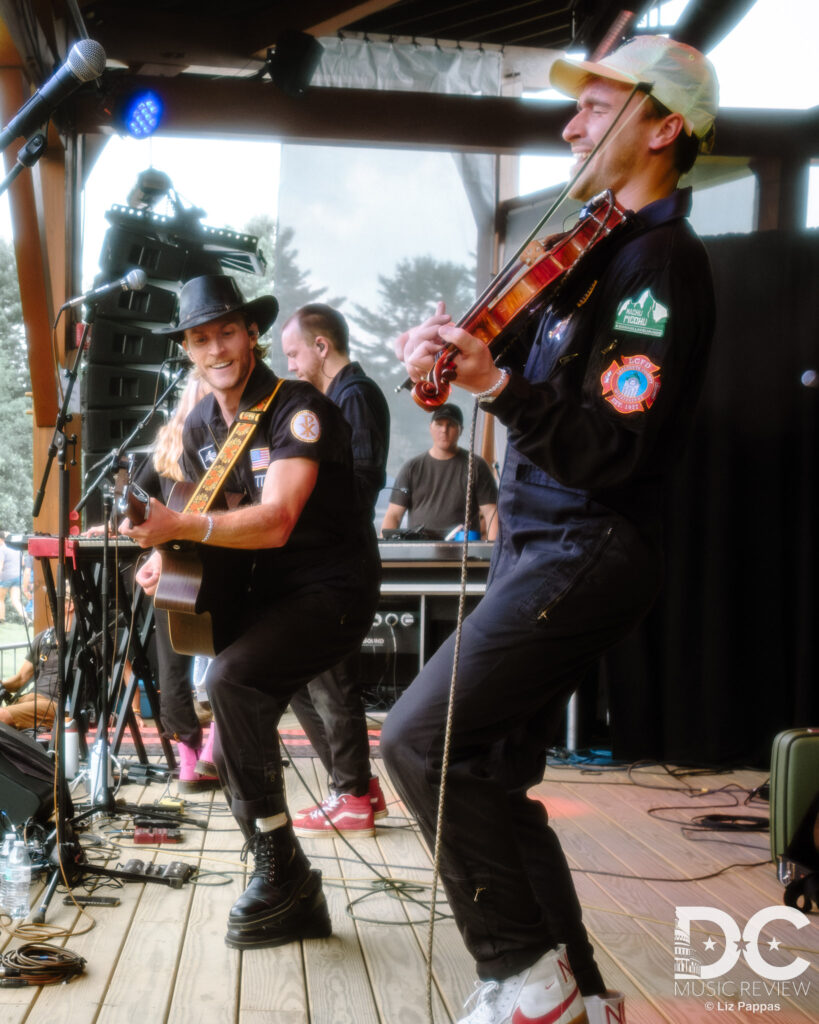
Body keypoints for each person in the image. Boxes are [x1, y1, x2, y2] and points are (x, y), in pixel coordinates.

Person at [380, 35, 718, 1024]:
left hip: (590, 545)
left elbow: (615, 453)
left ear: (662, 127)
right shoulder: (593, 254)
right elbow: (499, 354)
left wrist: (495, 387)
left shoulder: (658, 267)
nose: (571, 124)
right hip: (544, 544)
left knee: (419, 738)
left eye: (596, 106)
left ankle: (526, 980)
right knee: (485, 768)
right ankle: (586, 995)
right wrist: (449, 350)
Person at [120, 275, 379, 951]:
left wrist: (186, 524)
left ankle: (282, 871)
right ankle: (282, 872)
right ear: (187, 350)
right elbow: (202, 514)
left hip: (330, 589)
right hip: (264, 595)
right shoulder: (201, 420)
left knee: (230, 683)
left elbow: (277, 520)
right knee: (234, 701)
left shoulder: (297, 408)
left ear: (251, 333)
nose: (216, 349)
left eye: (226, 332)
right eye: (201, 339)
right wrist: (164, 551)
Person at [280, 303, 391, 837]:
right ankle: (357, 787)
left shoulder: (356, 396)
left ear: (321, 347)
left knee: (331, 682)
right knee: (305, 676)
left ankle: (351, 794)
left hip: (339, 566)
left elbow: (363, 480)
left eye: (295, 353)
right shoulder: (338, 398)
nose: (292, 365)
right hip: (330, 560)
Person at [132, 371, 218, 791]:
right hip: (201, 564)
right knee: (215, 662)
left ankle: (194, 758)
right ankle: (206, 754)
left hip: (186, 564)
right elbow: (139, 498)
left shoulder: (173, 443)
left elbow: (138, 497)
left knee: (179, 668)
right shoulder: (192, 444)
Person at [380, 403, 498, 540]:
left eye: (451, 425)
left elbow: (491, 513)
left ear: (461, 429)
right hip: (419, 551)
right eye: (439, 424)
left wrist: (490, 553)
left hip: (463, 552)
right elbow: (394, 514)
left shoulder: (476, 466)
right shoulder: (412, 468)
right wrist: (384, 551)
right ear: (431, 427)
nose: (444, 430)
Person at [0, 597, 73, 731]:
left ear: (71, 605)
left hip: (57, 704)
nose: (50, 606)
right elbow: (21, 678)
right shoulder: (43, 637)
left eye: (56, 599)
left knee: (1, 716)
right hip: (31, 699)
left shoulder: (85, 641)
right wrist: (2, 685)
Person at [0, 532, 31, 626]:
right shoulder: (17, 549)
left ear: (1, 540)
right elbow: (22, 563)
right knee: (15, 600)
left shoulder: (2, 549)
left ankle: (1, 619)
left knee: (0, 599)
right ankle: (26, 618)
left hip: (6, 577)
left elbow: (0, 565)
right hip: (17, 577)